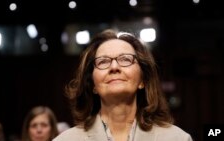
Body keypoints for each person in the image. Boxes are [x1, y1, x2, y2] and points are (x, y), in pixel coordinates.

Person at [53, 29, 193, 141]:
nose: (114, 67)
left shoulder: (177, 138)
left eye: (125, 59)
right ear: (93, 84)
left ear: (142, 81)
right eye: (103, 62)